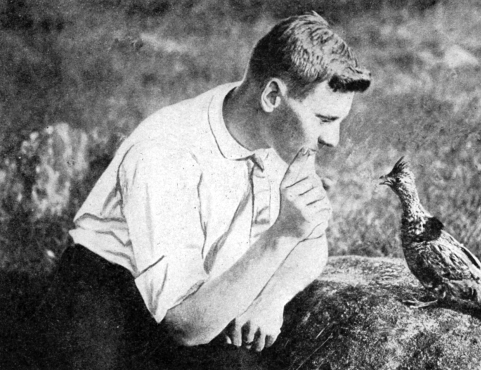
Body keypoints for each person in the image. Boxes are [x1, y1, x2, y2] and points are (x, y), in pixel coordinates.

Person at [38, 12, 371, 369]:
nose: (332, 140)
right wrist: (281, 236)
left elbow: (312, 239)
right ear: (272, 96)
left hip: (202, 296)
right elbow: (186, 326)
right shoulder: (166, 153)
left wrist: (273, 297)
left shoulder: (278, 133)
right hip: (110, 296)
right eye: (324, 120)